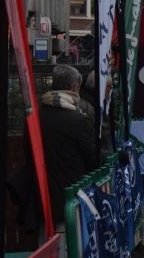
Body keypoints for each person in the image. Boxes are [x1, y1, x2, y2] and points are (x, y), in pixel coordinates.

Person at [40, 65, 99, 221]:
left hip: (41, 191)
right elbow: (91, 157)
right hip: (73, 191)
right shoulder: (79, 119)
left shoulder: (36, 117)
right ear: (75, 87)